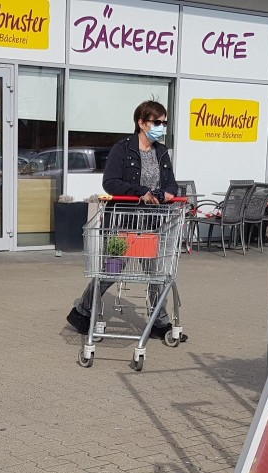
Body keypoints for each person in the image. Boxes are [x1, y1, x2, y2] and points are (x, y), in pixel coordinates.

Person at [66, 100, 178, 339]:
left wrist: (167, 193)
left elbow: (171, 183)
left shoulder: (162, 152)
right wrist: (141, 192)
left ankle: (160, 322)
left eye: (164, 122)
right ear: (141, 122)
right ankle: (82, 311)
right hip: (124, 223)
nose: (161, 127)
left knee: (156, 273)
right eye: (157, 122)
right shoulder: (122, 149)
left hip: (152, 225)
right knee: (112, 271)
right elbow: (110, 182)